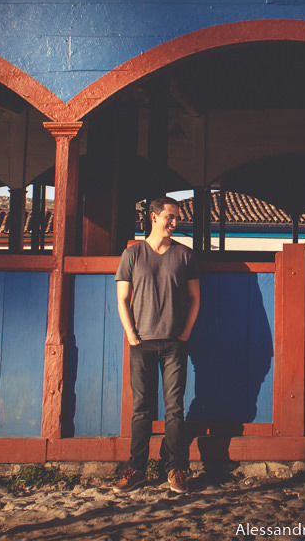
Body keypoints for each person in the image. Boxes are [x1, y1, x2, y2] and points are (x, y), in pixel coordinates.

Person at [114, 196, 201, 495]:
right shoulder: (132, 254)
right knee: (141, 409)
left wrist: (185, 333)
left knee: (174, 409)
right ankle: (137, 469)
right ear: (153, 217)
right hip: (142, 342)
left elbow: (195, 299)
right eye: (170, 216)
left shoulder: (185, 255)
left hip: (175, 343)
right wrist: (131, 333)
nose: (175, 222)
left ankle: (175, 468)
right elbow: (122, 299)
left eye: (177, 217)